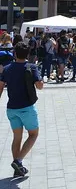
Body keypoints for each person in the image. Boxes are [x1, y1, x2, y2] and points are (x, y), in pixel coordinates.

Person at [0, 42, 44, 177]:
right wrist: (40, 79)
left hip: (12, 109)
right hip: (26, 108)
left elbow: (0, 88)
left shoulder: (7, 68)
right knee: (33, 134)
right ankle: (18, 162)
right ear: (28, 54)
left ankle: (17, 168)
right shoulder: (31, 67)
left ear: (14, 53)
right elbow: (40, 86)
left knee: (17, 137)